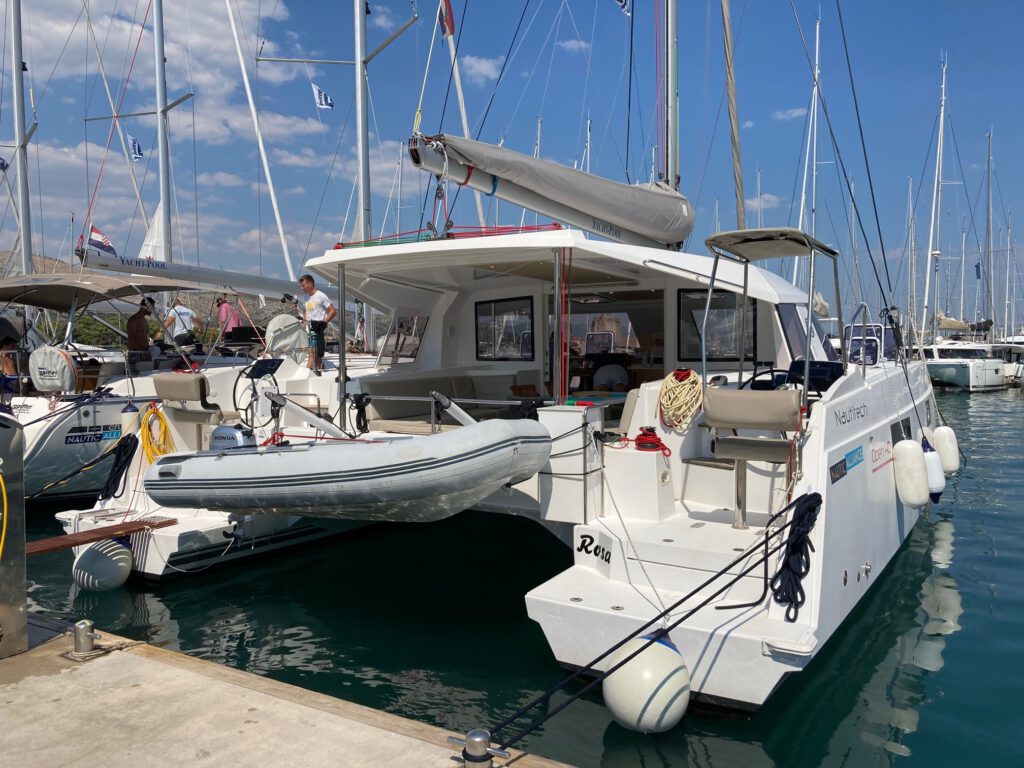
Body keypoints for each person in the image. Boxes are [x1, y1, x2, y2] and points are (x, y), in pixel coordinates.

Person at [299, 273, 336, 374]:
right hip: (308, 330)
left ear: (310, 284)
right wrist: (304, 323)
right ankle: (324, 373)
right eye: (301, 286)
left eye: (303, 285)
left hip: (317, 329)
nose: (301, 288)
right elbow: (307, 311)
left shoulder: (321, 296)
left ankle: (305, 374)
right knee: (317, 357)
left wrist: (324, 322)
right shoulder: (305, 298)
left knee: (313, 354)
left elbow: (332, 310)